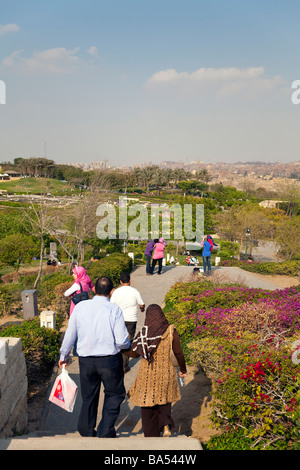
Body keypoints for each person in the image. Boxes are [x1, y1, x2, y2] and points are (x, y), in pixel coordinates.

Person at [59, 276, 131, 438]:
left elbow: (70, 334)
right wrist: (128, 346)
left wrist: (64, 355)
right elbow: (121, 341)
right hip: (109, 360)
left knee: (89, 396)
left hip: (86, 361)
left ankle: (86, 430)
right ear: (111, 292)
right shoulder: (114, 309)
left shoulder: (80, 308)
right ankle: (105, 430)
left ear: (95, 290)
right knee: (114, 394)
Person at [125, 304, 187, 437]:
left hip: (147, 373)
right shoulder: (171, 331)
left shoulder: (144, 332)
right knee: (164, 400)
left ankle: (151, 434)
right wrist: (183, 369)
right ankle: (165, 425)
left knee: (147, 404)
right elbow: (179, 353)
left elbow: (135, 354)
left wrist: (120, 348)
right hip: (167, 372)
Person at [110, 272, 145, 373]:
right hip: (131, 320)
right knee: (127, 343)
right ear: (130, 280)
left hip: (118, 320)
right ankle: (124, 366)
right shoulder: (135, 291)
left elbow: (111, 306)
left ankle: (115, 365)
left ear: (120, 281)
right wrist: (142, 309)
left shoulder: (116, 292)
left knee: (117, 341)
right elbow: (141, 304)